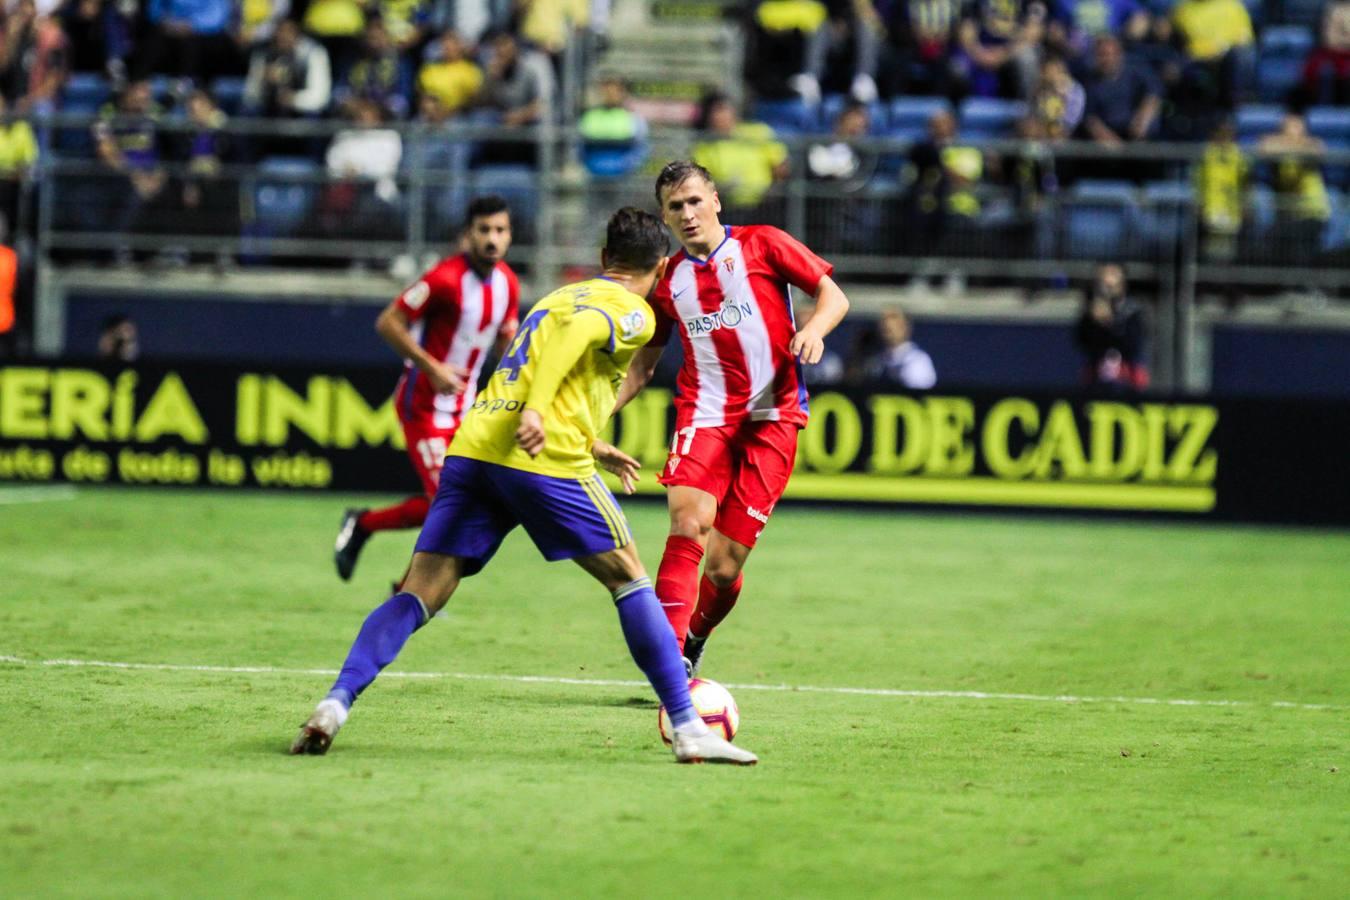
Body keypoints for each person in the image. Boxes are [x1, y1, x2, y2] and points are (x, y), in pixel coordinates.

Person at [292, 207, 758, 766]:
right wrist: (539, 414)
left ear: (605, 258)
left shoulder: (555, 297)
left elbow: (540, 357)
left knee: (420, 592)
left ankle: (335, 703)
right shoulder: (632, 311)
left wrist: (589, 438)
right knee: (630, 579)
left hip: (476, 447)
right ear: (661, 268)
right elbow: (577, 339)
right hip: (541, 457)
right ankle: (688, 727)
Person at [614, 160, 851, 676]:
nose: (688, 213)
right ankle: (668, 661)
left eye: (695, 201)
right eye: (676, 207)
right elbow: (642, 368)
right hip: (706, 415)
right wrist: (590, 417)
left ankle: (695, 635)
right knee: (687, 523)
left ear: (715, 200)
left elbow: (833, 295)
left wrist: (814, 331)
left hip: (775, 417)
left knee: (723, 569)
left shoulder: (764, 243)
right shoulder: (667, 282)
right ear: (665, 217)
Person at [334, 195, 520, 583]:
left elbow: (506, 345)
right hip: (423, 405)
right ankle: (407, 592)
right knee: (449, 504)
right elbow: (388, 322)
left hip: (466, 411)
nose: (492, 238)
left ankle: (365, 525)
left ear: (509, 236)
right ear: (468, 234)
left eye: (500, 230)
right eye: (484, 230)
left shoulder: (508, 284)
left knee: (460, 501)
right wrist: (431, 366)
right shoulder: (443, 278)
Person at [691, 93, 789, 212]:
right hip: (727, 208)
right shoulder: (705, 147)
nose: (720, 116)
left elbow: (780, 165)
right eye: (715, 112)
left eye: (724, 110)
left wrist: (774, 192)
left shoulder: (757, 132)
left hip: (765, 205)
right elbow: (703, 180)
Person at [1074, 262, 1147, 392]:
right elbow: (1082, 342)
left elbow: (1134, 345)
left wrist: (1110, 323)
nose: (1107, 280)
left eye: (1113, 274)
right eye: (1104, 275)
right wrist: (1096, 323)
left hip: (1126, 377)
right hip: (1096, 377)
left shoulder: (1132, 310)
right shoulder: (1091, 311)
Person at [866, 306, 936, 388]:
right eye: (884, 320)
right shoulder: (876, 360)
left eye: (894, 318)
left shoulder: (918, 361)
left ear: (905, 327)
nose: (888, 323)